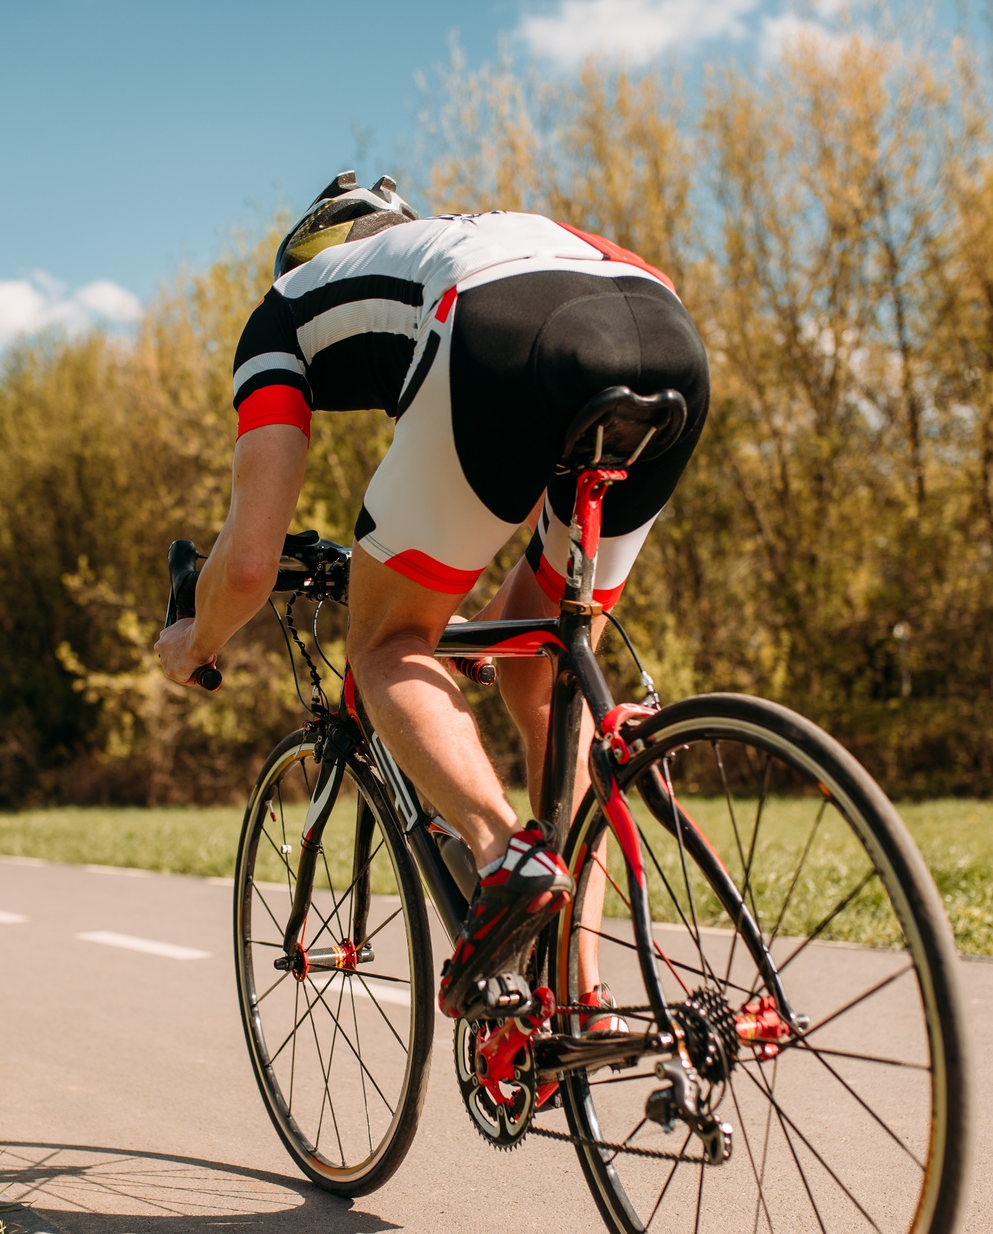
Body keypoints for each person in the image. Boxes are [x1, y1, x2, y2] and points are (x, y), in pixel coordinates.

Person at [155, 173, 709, 1022]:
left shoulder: (283, 308)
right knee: (548, 672)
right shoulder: (449, 241)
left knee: (384, 644)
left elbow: (247, 563)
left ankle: (502, 857)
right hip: (664, 329)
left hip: (500, 328)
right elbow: (515, 478)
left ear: (304, 252)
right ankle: (582, 991)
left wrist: (197, 640)